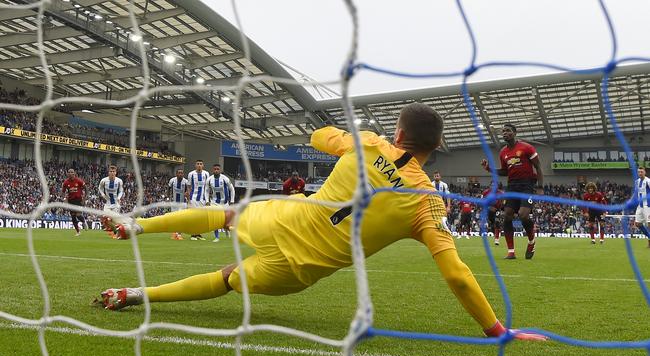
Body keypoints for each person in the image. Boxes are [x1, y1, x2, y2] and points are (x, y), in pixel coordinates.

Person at [99, 103, 545, 341]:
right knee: (227, 278)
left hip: (284, 218)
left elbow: (315, 136)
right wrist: (497, 329)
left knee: (228, 213)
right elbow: (458, 275)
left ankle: (136, 226)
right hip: (301, 269)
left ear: (398, 134)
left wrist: (345, 135)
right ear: (437, 147)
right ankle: (137, 294)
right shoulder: (428, 203)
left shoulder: (368, 144)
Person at [481, 123, 543, 260]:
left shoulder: (527, 148)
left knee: (523, 214)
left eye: (508, 131)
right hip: (512, 186)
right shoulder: (503, 152)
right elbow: (504, 171)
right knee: (507, 215)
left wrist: (540, 187)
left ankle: (532, 241)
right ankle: (511, 251)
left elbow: (538, 167)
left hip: (527, 185)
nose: (504, 133)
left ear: (514, 133)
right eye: (503, 131)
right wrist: (489, 169)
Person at [206, 164, 235, 242]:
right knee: (215, 219)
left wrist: (232, 201)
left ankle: (227, 232)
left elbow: (232, 189)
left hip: (225, 202)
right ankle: (216, 237)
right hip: (214, 202)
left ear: (220, 170)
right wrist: (207, 201)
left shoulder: (225, 179)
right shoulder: (209, 180)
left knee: (226, 219)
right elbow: (206, 190)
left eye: (217, 169)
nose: (216, 170)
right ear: (213, 170)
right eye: (215, 169)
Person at [98, 165, 125, 239]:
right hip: (108, 203)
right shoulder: (103, 181)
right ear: (108, 172)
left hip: (116, 203)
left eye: (113, 171)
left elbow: (121, 191)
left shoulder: (119, 181)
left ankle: (119, 233)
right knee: (105, 218)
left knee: (115, 220)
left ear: (116, 173)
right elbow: (100, 188)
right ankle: (115, 231)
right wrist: (103, 194)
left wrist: (119, 198)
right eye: (110, 171)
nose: (112, 173)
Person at [187, 160, 210, 241]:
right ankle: (193, 234)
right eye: (198, 164)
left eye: (201, 164)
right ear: (195, 165)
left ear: (203, 165)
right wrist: (188, 199)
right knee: (193, 216)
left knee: (201, 217)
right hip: (193, 198)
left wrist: (207, 200)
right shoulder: (191, 174)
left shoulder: (206, 174)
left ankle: (199, 234)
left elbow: (207, 188)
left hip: (203, 199)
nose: (199, 165)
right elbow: (189, 187)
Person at [62, 168, 88, 236]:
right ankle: (78, 232)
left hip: (78, 200)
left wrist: (84, 199)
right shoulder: (66, 182)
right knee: (73, 216)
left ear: (74, 173)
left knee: (78, 214)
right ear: (67, 174)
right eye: (69, 172)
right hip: (71, 200)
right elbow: (63, 192)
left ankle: (84, 221)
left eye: (72, 172)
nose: (70, 173)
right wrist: (65, 199)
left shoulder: (79, 181)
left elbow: (86, 188)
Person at [167, 168, 189, 240]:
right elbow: (168, 189)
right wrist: (168, 198)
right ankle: (174, 234)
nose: (180, 174)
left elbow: (188, 191)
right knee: (174, 219)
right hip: (174, 203)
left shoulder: (185, 182)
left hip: (182, 203)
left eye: (181, 173)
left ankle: (179, 234)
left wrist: (187, 195)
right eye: (179, 173)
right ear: (176, 174)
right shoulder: (172, 180)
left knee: (181, 219)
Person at [634, 167, 650, 248]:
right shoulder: (636, 182)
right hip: (639, 206)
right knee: (638, 224)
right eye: (639, 172)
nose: (640, 173)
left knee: (649, 224)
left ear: (645, 172)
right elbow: (636, 194)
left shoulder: (648, 181)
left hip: (648, 206)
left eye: (641, 172)